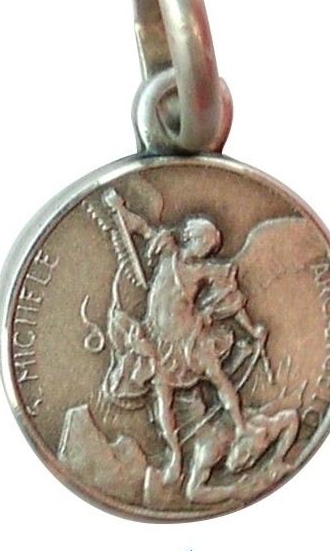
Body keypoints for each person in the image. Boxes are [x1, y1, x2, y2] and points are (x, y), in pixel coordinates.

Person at [100, 189, 265, 487]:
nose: (207, 249)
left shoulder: (205, 271)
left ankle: (242, 427)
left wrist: (252, 330)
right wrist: (119, 209)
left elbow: (233, 299)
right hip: (158, 340)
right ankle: (174, 457)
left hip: (190, 339)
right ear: (192, 238)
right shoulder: (168, 252)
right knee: (162, 399)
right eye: (205, 242)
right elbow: (140, 227)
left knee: (218, 379)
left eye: (210, 246)